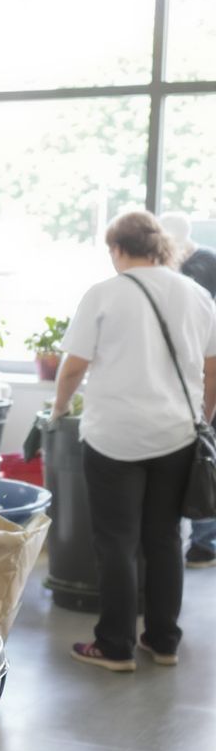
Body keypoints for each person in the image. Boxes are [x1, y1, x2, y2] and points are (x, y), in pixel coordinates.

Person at [53, 210, 216, 672]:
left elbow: (73, 366)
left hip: (113, 438)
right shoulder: (197, 294)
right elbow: (213, 369)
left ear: (119, 248)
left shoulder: (104, 294)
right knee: (165, 540)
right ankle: (164, 641)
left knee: (116, 543)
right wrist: (200, 418)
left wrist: (60, 409)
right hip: (177, 434)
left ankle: (115, 645)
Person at [162, 212, 216, 568]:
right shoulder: (168, 272)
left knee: (205, 459)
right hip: (182, 380)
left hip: (205, 375)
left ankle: (205, 541)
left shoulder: (207, 264)